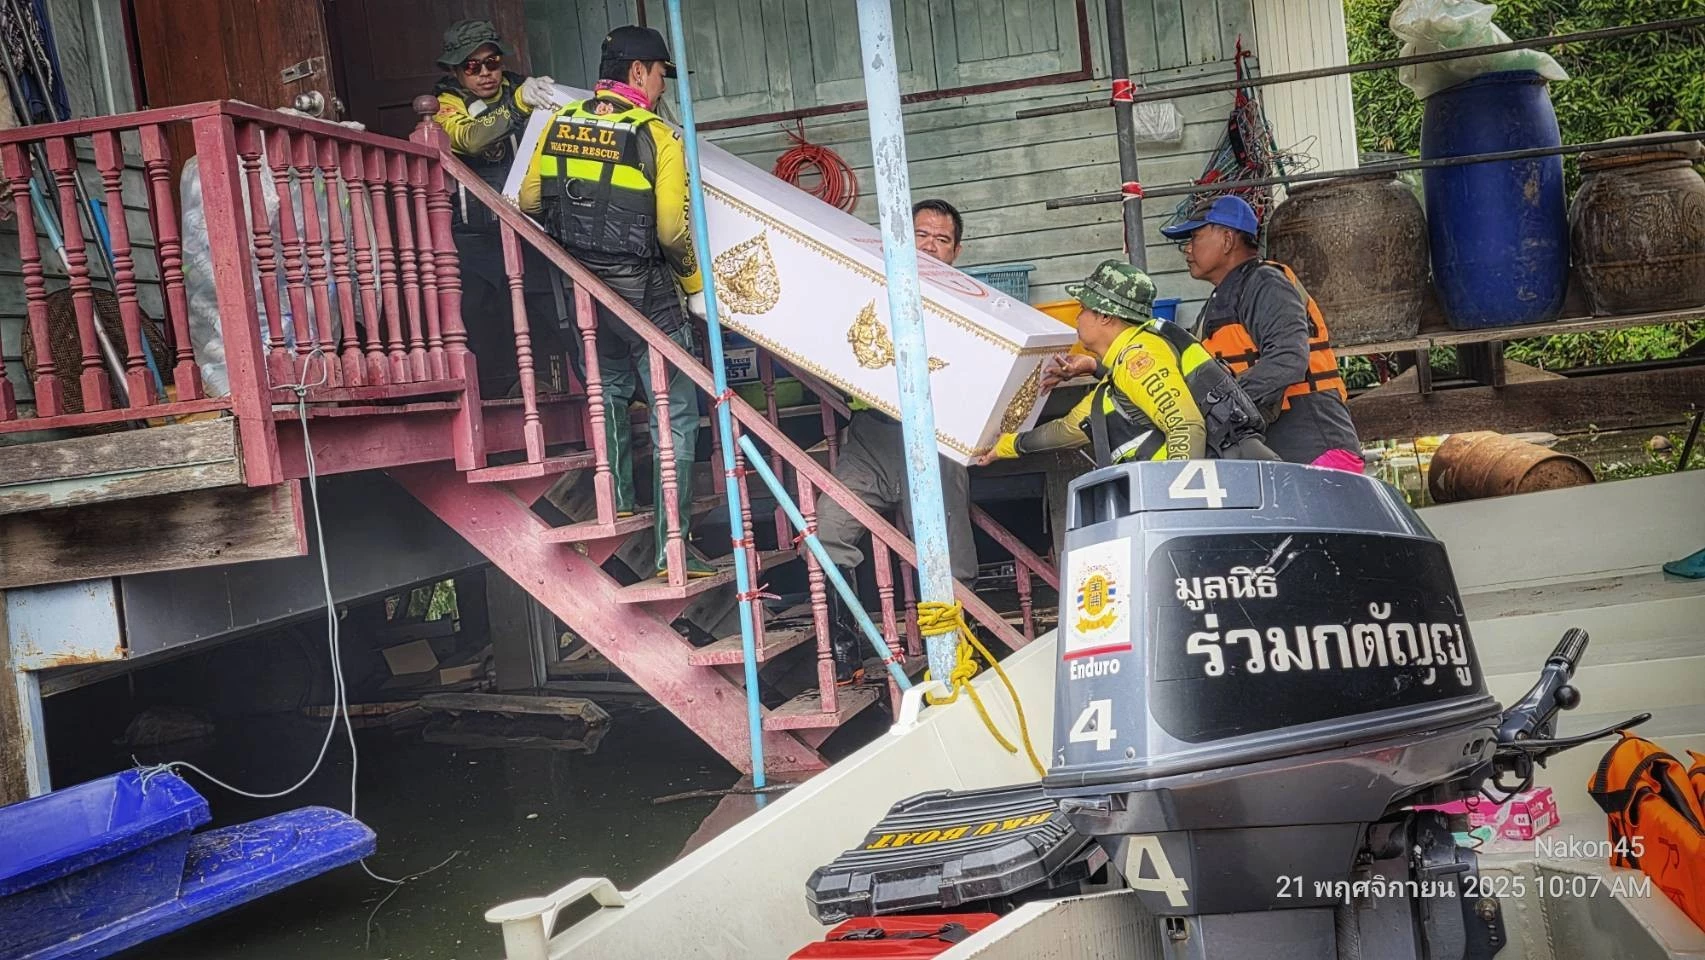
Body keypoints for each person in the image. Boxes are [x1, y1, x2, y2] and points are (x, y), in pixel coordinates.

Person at [518, 25, 713, 579]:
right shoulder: (658, 136)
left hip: (584, 293)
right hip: (646, 295)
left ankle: (620, 502)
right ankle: (671, 549)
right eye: (660, 75)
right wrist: (695, 286)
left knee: (611, 389)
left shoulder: (559, 122)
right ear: (637, 72)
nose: (662, 86)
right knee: (676, 409)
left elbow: (530, 200)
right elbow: (672, 231)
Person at [812, 198, 980, 685]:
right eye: (921, 235)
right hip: (871, 437)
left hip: (936, 437)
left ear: (956, 252)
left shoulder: (969, 307)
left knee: (950, 551)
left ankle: (955, 655)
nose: (929, 246)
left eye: (941, 240)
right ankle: (847, 650)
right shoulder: (870, 290)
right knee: (829, 528)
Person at [987, 259, 1273, 467]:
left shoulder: (1139, 356)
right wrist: (1005, 446)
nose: (1077, 317)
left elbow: (1185, 425)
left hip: (1220, 484)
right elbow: (1070, 428)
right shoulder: (1120, 372)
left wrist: (1177, 500)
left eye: (1083, 308)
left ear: (1105, 316)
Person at [1159, 195, 1363, 470]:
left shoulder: (1266, 283)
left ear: (1227, 240)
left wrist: (1222, 403)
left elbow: (1288, 359)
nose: (1187, 249)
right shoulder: (1216, 304)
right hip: (1278, 461)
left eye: (1194, 237)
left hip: (1316, 454)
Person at [432, 19, 568, 397]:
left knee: (555, 314)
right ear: (455, 70)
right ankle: (490, 396)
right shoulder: (445, 104)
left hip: (530, 227)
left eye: (492, 62)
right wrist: (520, 103)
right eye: (472, 66)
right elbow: (470, 138)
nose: (486, 73)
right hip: (474, 236)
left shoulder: (523, 88)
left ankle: (580, 390)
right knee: (478, 320)